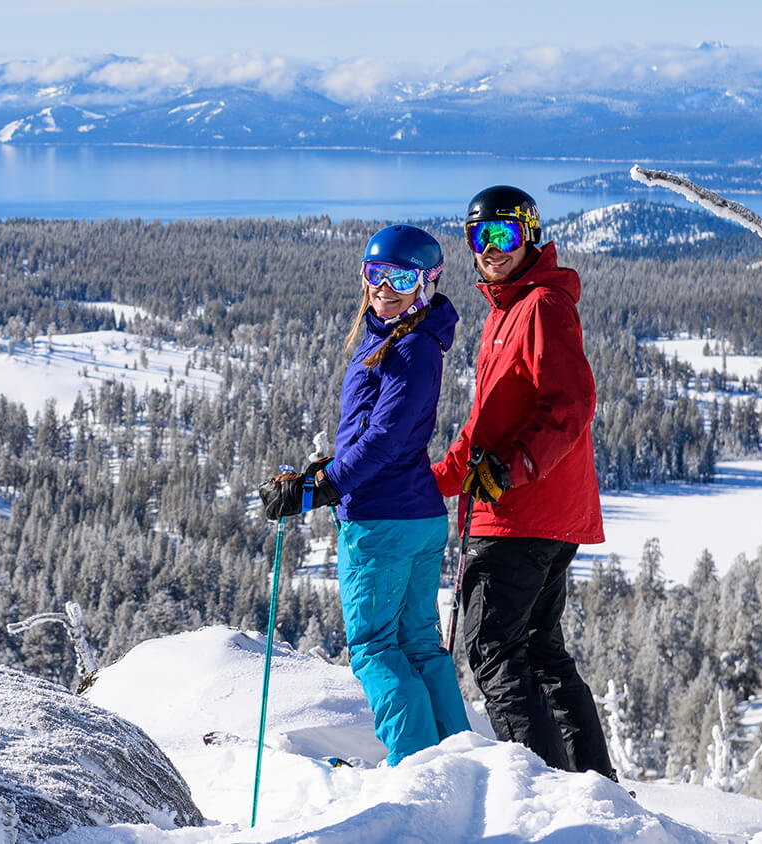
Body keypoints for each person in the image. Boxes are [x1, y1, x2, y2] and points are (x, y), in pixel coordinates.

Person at [261, 224, 469, 766]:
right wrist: (324, 470)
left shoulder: (410, 349)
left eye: (401, 276)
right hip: (416, 513)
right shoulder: (403, 342)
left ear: (427, 282)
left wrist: (324, 487)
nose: (385, 287)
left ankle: (420, 774)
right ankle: (458, 763)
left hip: (382, 521)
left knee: (376, 649)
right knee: (419, 644)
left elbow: (385, 438)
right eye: (376, 274)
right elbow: (376, 435)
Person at [431, 185, 616, 779]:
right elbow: (486, 428)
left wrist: (514, 469)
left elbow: (572, 404)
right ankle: (592, 787)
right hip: (538, 514)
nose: (490, 250)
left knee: (493, 649)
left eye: (504, 235)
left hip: (521, 515)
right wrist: (429, 482)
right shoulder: (507, 311)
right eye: (479, 238)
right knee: (539, 652)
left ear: (530, 235)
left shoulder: (540, 306)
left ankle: (548, 797)